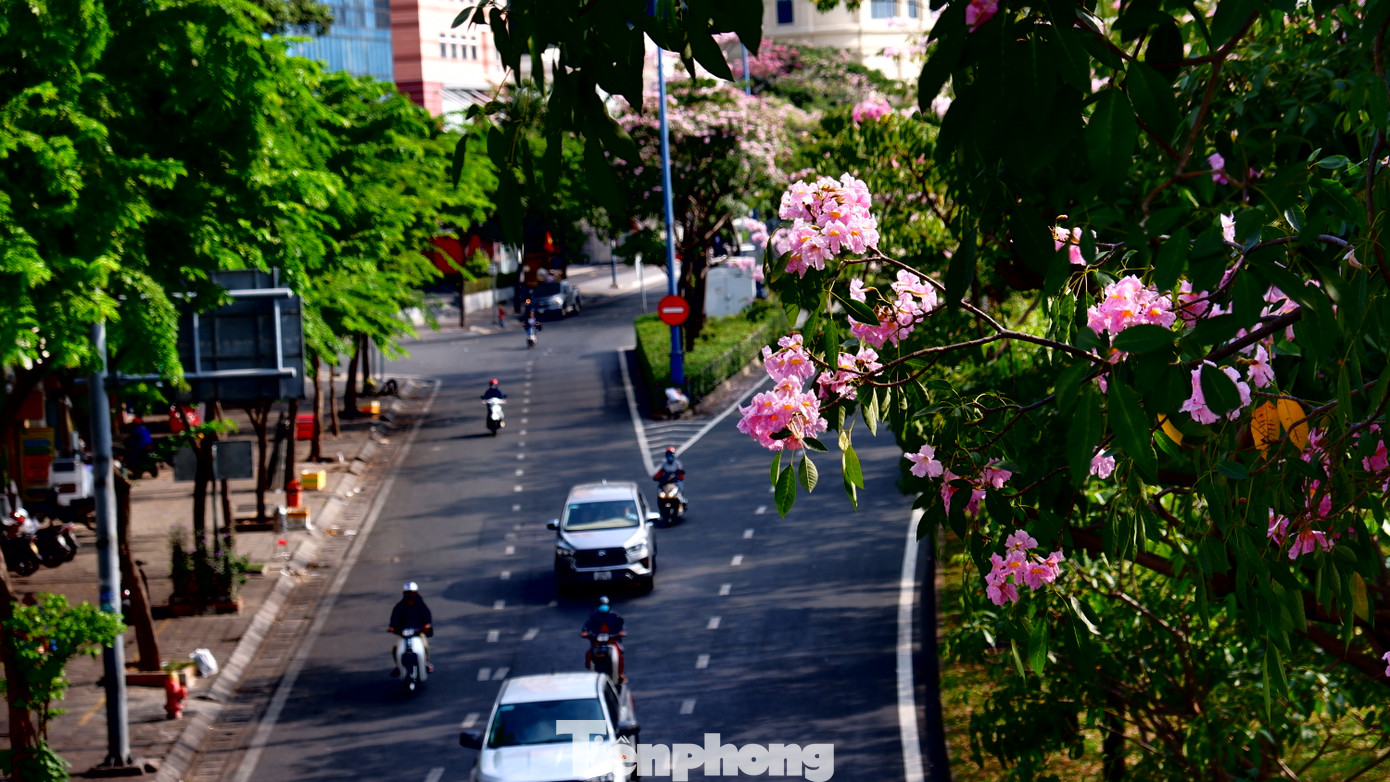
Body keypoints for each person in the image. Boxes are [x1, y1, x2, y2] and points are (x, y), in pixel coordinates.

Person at [388, 581, 433, 676]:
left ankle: (426, 662)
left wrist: (427, 625)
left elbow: (427, 616)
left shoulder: (421, 605)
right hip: (403, 633)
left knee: (425, 645)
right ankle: (398, 666)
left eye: (412, 593)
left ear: (416, 593)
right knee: (395, 648)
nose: (410, 596)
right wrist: (392, 627)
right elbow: (394, 618)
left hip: (418, 632)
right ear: (404, 594)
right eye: (408, 593)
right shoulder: (400, 606)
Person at [581, 596, 626, 682]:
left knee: (619, 654)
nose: (603, 607)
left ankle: (620, 673)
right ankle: (591, 672)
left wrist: (621, 632)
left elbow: (621, 626)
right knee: (588, 654)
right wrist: (585, 632)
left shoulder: (615, 616)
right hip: (597, 641)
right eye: (601, 605)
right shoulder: (593, 617)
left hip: (612, 640)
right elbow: (586, 626)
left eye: (605, 605)